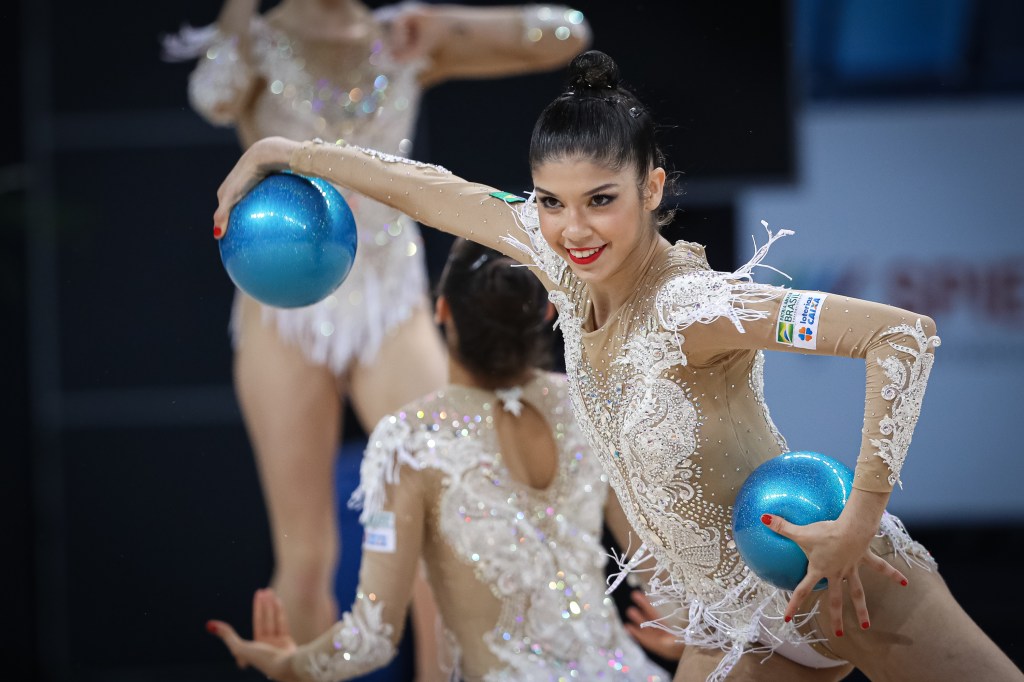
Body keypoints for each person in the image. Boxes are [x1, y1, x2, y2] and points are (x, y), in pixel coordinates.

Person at [210, 50, 1024, 682]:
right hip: (736, 619)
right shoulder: (555, 255)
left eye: (601, 199)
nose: (572, 229)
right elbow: (426, 189)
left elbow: (901, 338)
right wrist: (285, 149)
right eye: (551, 202)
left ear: (652, 186)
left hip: (845, 582)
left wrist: (858, 523)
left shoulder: (696, 306)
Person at [161, 0, 592, 665]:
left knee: (437, 538)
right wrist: (240, 17)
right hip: (283, 303)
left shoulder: (401, 36)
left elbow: (567, 33)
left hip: (389, 297)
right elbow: (212, 96)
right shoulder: (259, 41)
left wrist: (447, 21)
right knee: (306, 553)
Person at [205, 239, 674, 681]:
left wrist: (290, 663)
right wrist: (689, 640)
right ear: (547, 312)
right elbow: (666, 582)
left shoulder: (411, 440)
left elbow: (372, 638)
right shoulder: (589, 408)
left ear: (442, 310)